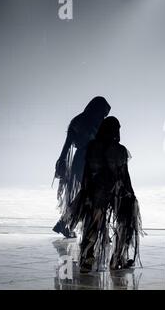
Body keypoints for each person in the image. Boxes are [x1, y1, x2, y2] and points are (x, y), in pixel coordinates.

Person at [71, 116, 142, 273]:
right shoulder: (120, 149)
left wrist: (86, 192)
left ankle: (87, 259)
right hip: (116, 191)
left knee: (93, 225)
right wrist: (131, 194)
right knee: (125, 222)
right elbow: (124, 176)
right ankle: (117, 259)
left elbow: (87, 173)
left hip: (96, 191)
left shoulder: (92, 146)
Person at [53, 96, 111, 238]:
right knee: (92, 195)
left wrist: (62, 160)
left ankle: (66, 223)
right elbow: (104, 145)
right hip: (92, 161)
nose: (104, 116)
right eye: (103, 113)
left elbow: (67, 145)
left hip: (78, 160)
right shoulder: (97, 122)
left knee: (86, 194)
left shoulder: (77, 120)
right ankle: (93, 229)